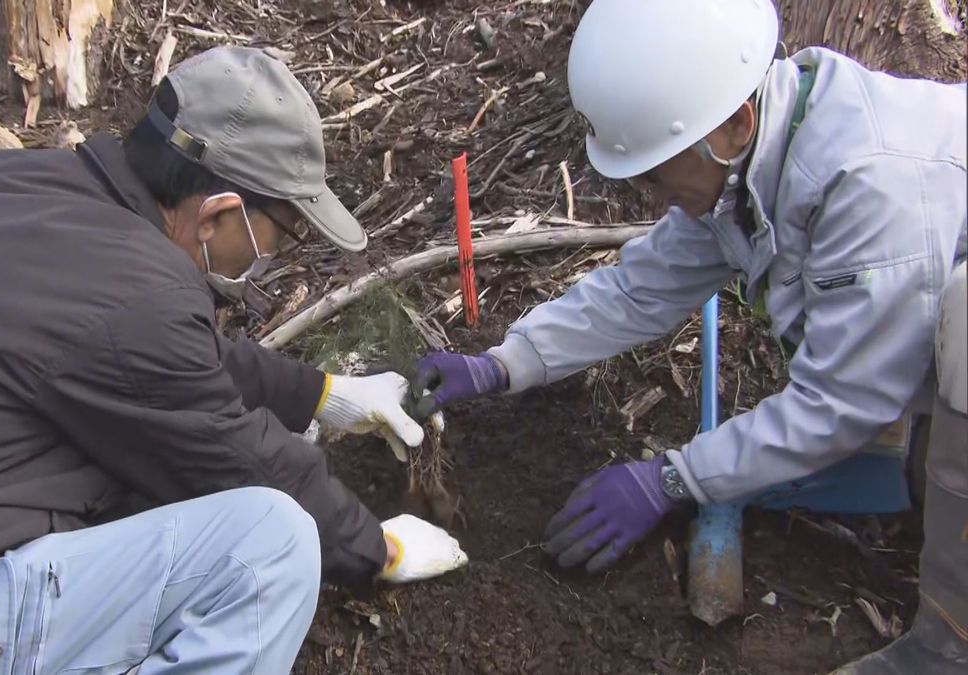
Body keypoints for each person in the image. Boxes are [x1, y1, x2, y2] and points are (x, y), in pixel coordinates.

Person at [0, 47, 466, 675]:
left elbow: (168, 364)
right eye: (280, 234)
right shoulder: (136, 300)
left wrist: (320, 393)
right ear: (218, 213)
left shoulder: (14, 189)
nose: (276, 258)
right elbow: (246, 458)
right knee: (272, 545)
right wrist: (376, 549)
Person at [411, 0, 966, 671]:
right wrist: (506, 363)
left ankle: (948, 641)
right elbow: (638, 288)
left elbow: (836, 404)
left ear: (734, 124)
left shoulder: (870, 190)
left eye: (655, 171)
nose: (651, 195)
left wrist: (671, 480)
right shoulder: (753, 158)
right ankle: (923, 463)